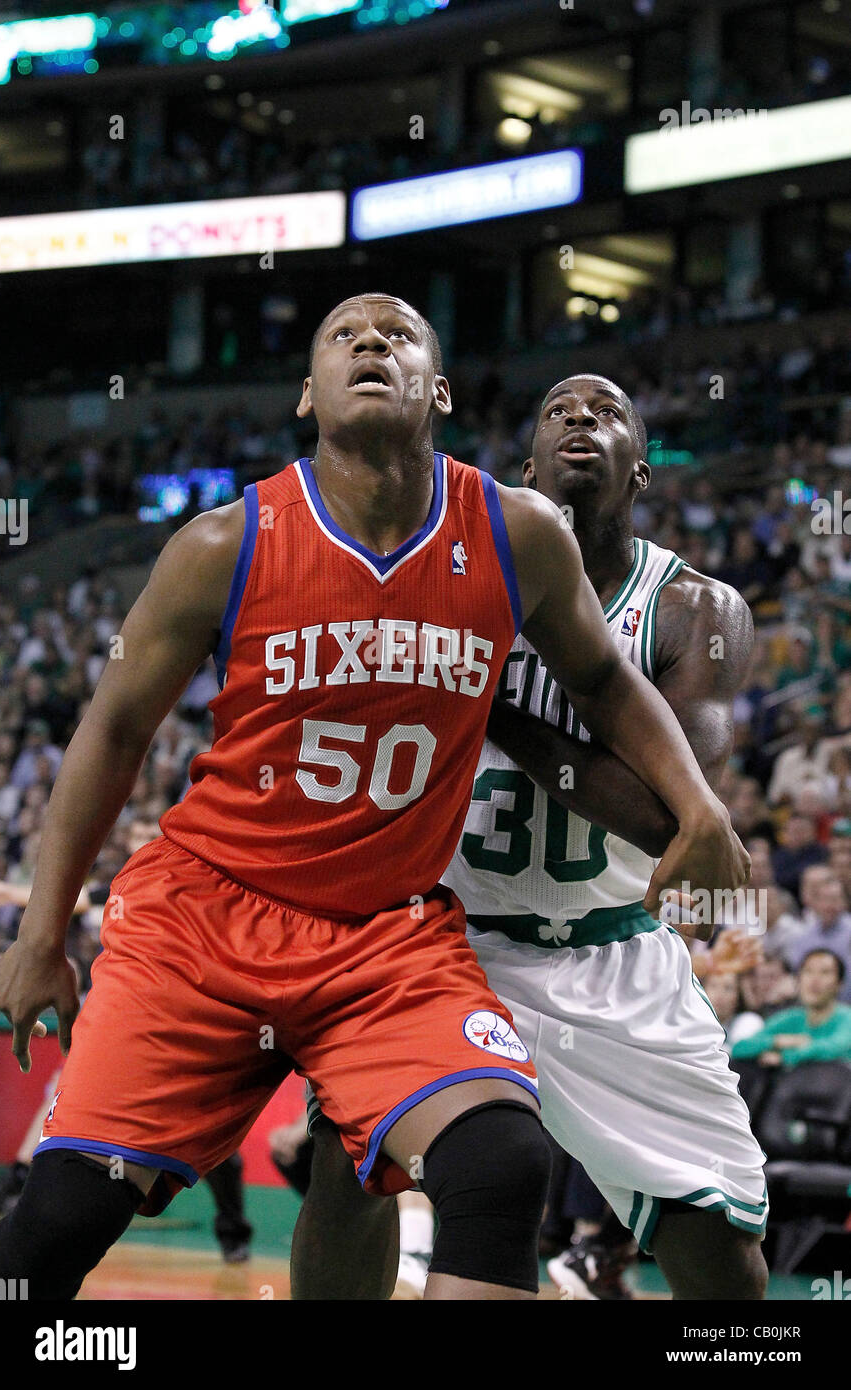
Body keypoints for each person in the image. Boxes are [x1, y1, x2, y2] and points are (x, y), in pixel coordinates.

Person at [0, 304, 747, 1303]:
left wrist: (700, 811)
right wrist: (43, 932)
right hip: (209, 918)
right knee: (64, 1217)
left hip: (385, 935)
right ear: (306, 394)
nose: (373, 344)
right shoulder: (223, 541)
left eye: (398, 335)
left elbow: (607, 681)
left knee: (500, 1168)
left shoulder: (512, 535)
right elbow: (111, 733)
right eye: (346, 337)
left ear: (438, 391)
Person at [292, 373, 767, 1301]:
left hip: (615, 955)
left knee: (718, 1251)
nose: (582, 420)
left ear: (641, 474)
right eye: (558, 412)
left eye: (609, 412)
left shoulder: (694, 612)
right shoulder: (448, 581)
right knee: (347, 1158)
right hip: (449, 946)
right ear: (524, 470)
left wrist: (493, 706)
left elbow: (671, 815)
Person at [731, 950, 851, 1068]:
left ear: (839, 984)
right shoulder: (791, 1018)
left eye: (825, 973)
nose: (815, 980)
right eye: (808, 971)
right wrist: (780, 1041)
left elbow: (837, 1048)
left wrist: (784, 1057)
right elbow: (739, 1048)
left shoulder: (846, 1017)